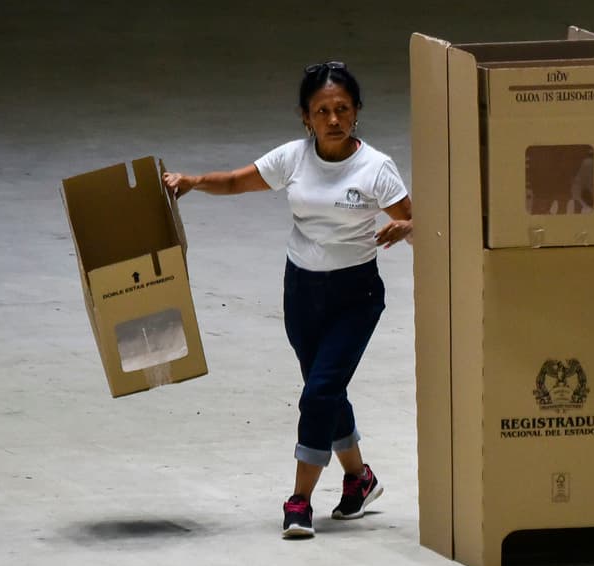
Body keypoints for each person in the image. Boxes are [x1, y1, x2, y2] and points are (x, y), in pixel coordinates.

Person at [163, 61, 412, 539]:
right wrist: (194, 182)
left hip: (355, 294)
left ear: (357, 111)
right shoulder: (294, 159)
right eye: (322, 111)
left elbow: (420, 223)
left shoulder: (376, 168)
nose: (333, 119)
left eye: (342, 109)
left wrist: (410, 229)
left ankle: (299, 500)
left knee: (318, 392)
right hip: (300, 292)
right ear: (305, 117)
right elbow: (239, 180)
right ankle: (360, 479)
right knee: (325, 388)